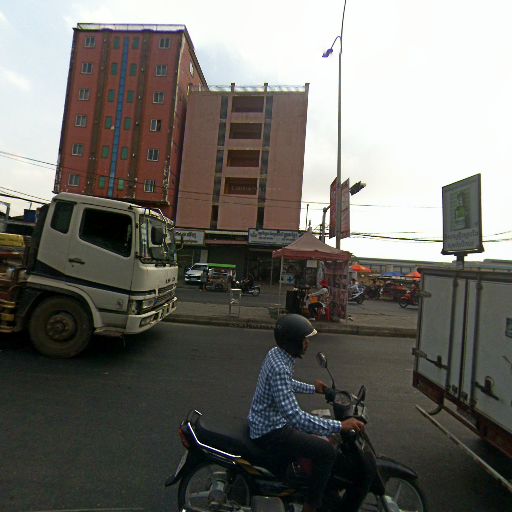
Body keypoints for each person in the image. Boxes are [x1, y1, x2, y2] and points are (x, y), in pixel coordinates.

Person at [248, 314, 369, 512]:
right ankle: (311, 505)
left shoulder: (276, 354)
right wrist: (340, 425)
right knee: (326, 451)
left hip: (266, 420)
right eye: (304, 339)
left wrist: (315, 389)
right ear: (293, 341)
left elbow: (285, 385)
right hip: (271, 430)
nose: (307, 343)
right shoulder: (280, 367)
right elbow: (295, 417)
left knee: (319, 436)